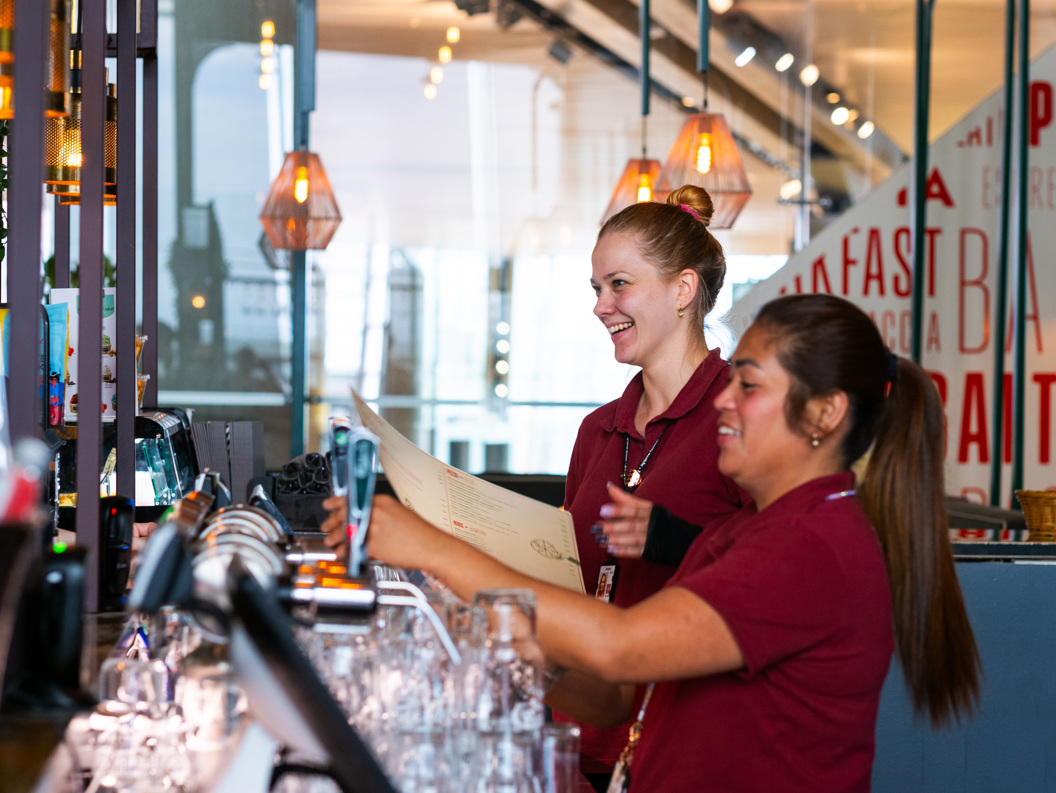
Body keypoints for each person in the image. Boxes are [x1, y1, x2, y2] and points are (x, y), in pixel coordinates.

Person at [358, 293, 982, 792]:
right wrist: (519, 651)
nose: (725, 404)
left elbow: (621, 648)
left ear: (824, 414)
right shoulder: (754, 528)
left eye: (750, 386)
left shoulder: (811, 544)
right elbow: (617, 697)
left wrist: (433, 548)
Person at [323, 185, 747, 789]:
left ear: (682, 291)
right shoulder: (597, 430)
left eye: (619, 284)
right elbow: (569, 574)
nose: (601, 306)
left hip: (688, 745)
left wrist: (674, 540)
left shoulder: (738, 420)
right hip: (578, 731)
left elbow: (767, 566)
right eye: (596, 289)